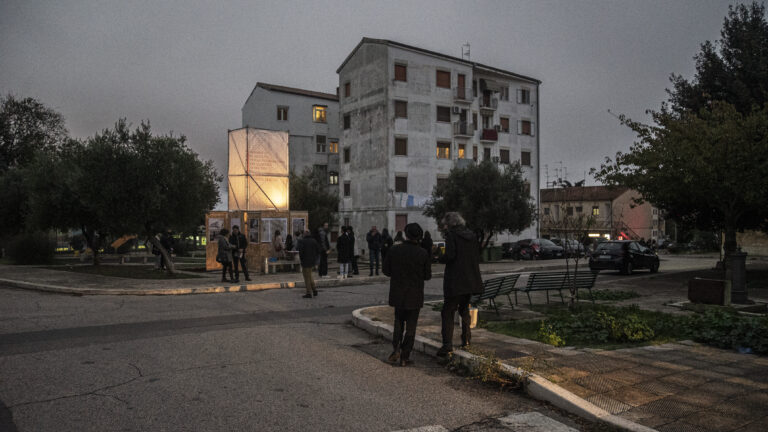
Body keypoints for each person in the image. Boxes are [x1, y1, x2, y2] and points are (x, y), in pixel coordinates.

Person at [382, 223, 431, 367]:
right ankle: (405, 355)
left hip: (398, 292)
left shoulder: (394, 250)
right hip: (415, 294)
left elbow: (386, 271)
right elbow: (427, 276)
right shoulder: (423, 253)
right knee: (411, 326)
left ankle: (396, 348)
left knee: (398, 322)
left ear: (406, 234)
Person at [437, 212, 483, 357]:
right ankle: (466, 340)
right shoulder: (471, 235)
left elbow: (450, 255)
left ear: (450, 224)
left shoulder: (452, 235)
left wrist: (440, 257)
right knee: (464, 309)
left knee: (448, 312)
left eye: (445, 224)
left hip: (455, 280)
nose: (444, 227)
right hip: (469, 280)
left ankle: (447, 345)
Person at [297, 230, 320, 298]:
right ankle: (314, 290)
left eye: (303, 233)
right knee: (310, 276)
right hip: (312, 261)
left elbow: (301, 252)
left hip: (305, 261)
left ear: (305, 234)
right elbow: (318, 250)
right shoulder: (314, 241)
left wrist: (301, 260)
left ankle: (309, 293)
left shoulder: (302, 241)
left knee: (306, 277)